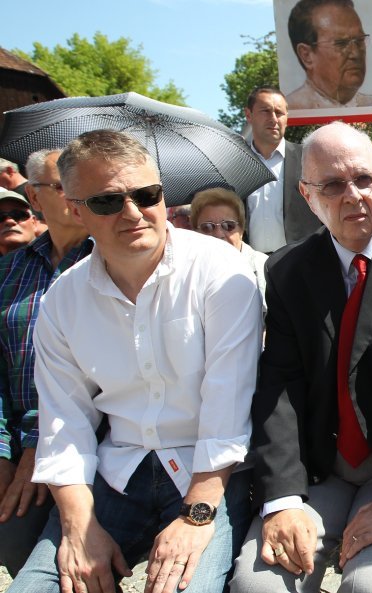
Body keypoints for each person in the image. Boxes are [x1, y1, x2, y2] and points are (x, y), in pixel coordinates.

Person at [10, 130, 262, 593]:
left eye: (146, 195)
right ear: (75, 207)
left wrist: (197, 516)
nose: (133, 212)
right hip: (116, 474)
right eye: (107, 202)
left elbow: (228, 403)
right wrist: (79, 529)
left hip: (207, 474)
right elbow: (65, 422)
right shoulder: (62, 300)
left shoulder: (221, 272)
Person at [229, 122, 372, 593]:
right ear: (307, 195)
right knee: (261, 588)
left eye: (364, 179)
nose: (353, 195)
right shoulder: (288, 270)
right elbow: (281, 386)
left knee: (371, 587)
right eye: (333, 184)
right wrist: (282, 501)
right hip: (320, 467)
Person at [0, 149, 92, 578]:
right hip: (17, 441)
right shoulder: (8, 272)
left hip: (92, 443)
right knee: (14, 543)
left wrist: (41, 446)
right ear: (35, 199)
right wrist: (2, 451)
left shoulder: (110, 264)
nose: (76, 194)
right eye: (61, 185)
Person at [242, 86, 321, 254]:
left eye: (279, 113)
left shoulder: (309, 159)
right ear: (249, 115)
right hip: (250, 264)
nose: (273, 119)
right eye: (265, 111)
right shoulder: (236, 162)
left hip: (300, 262)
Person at [284, 0, 372, 110]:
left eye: (359, 41)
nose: (355, 53)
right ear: (306, 55)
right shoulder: (289, 109)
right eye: (341, 43)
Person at [190, 187, 268, 311]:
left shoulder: (265, 268)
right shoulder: (187, 274)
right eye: (208, 227)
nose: (218, 234)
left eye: (228, 226)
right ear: (195, 232)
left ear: (242, 230)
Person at [0, 191, 44, 257]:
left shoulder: (58, 257)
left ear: (34, 223)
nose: (9, 221)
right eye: (0, 217)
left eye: (18, 215)